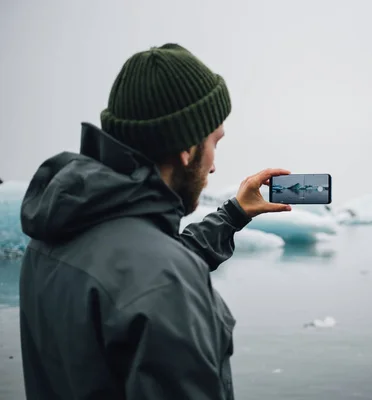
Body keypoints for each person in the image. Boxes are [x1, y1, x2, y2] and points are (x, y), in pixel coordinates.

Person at [18, 43, 292, 400]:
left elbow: (145, 266)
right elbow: (158, 277)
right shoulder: (162, 282)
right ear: (187, 149)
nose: (212, 165)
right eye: (214, 142)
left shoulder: (53, 235)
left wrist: (234, 214)